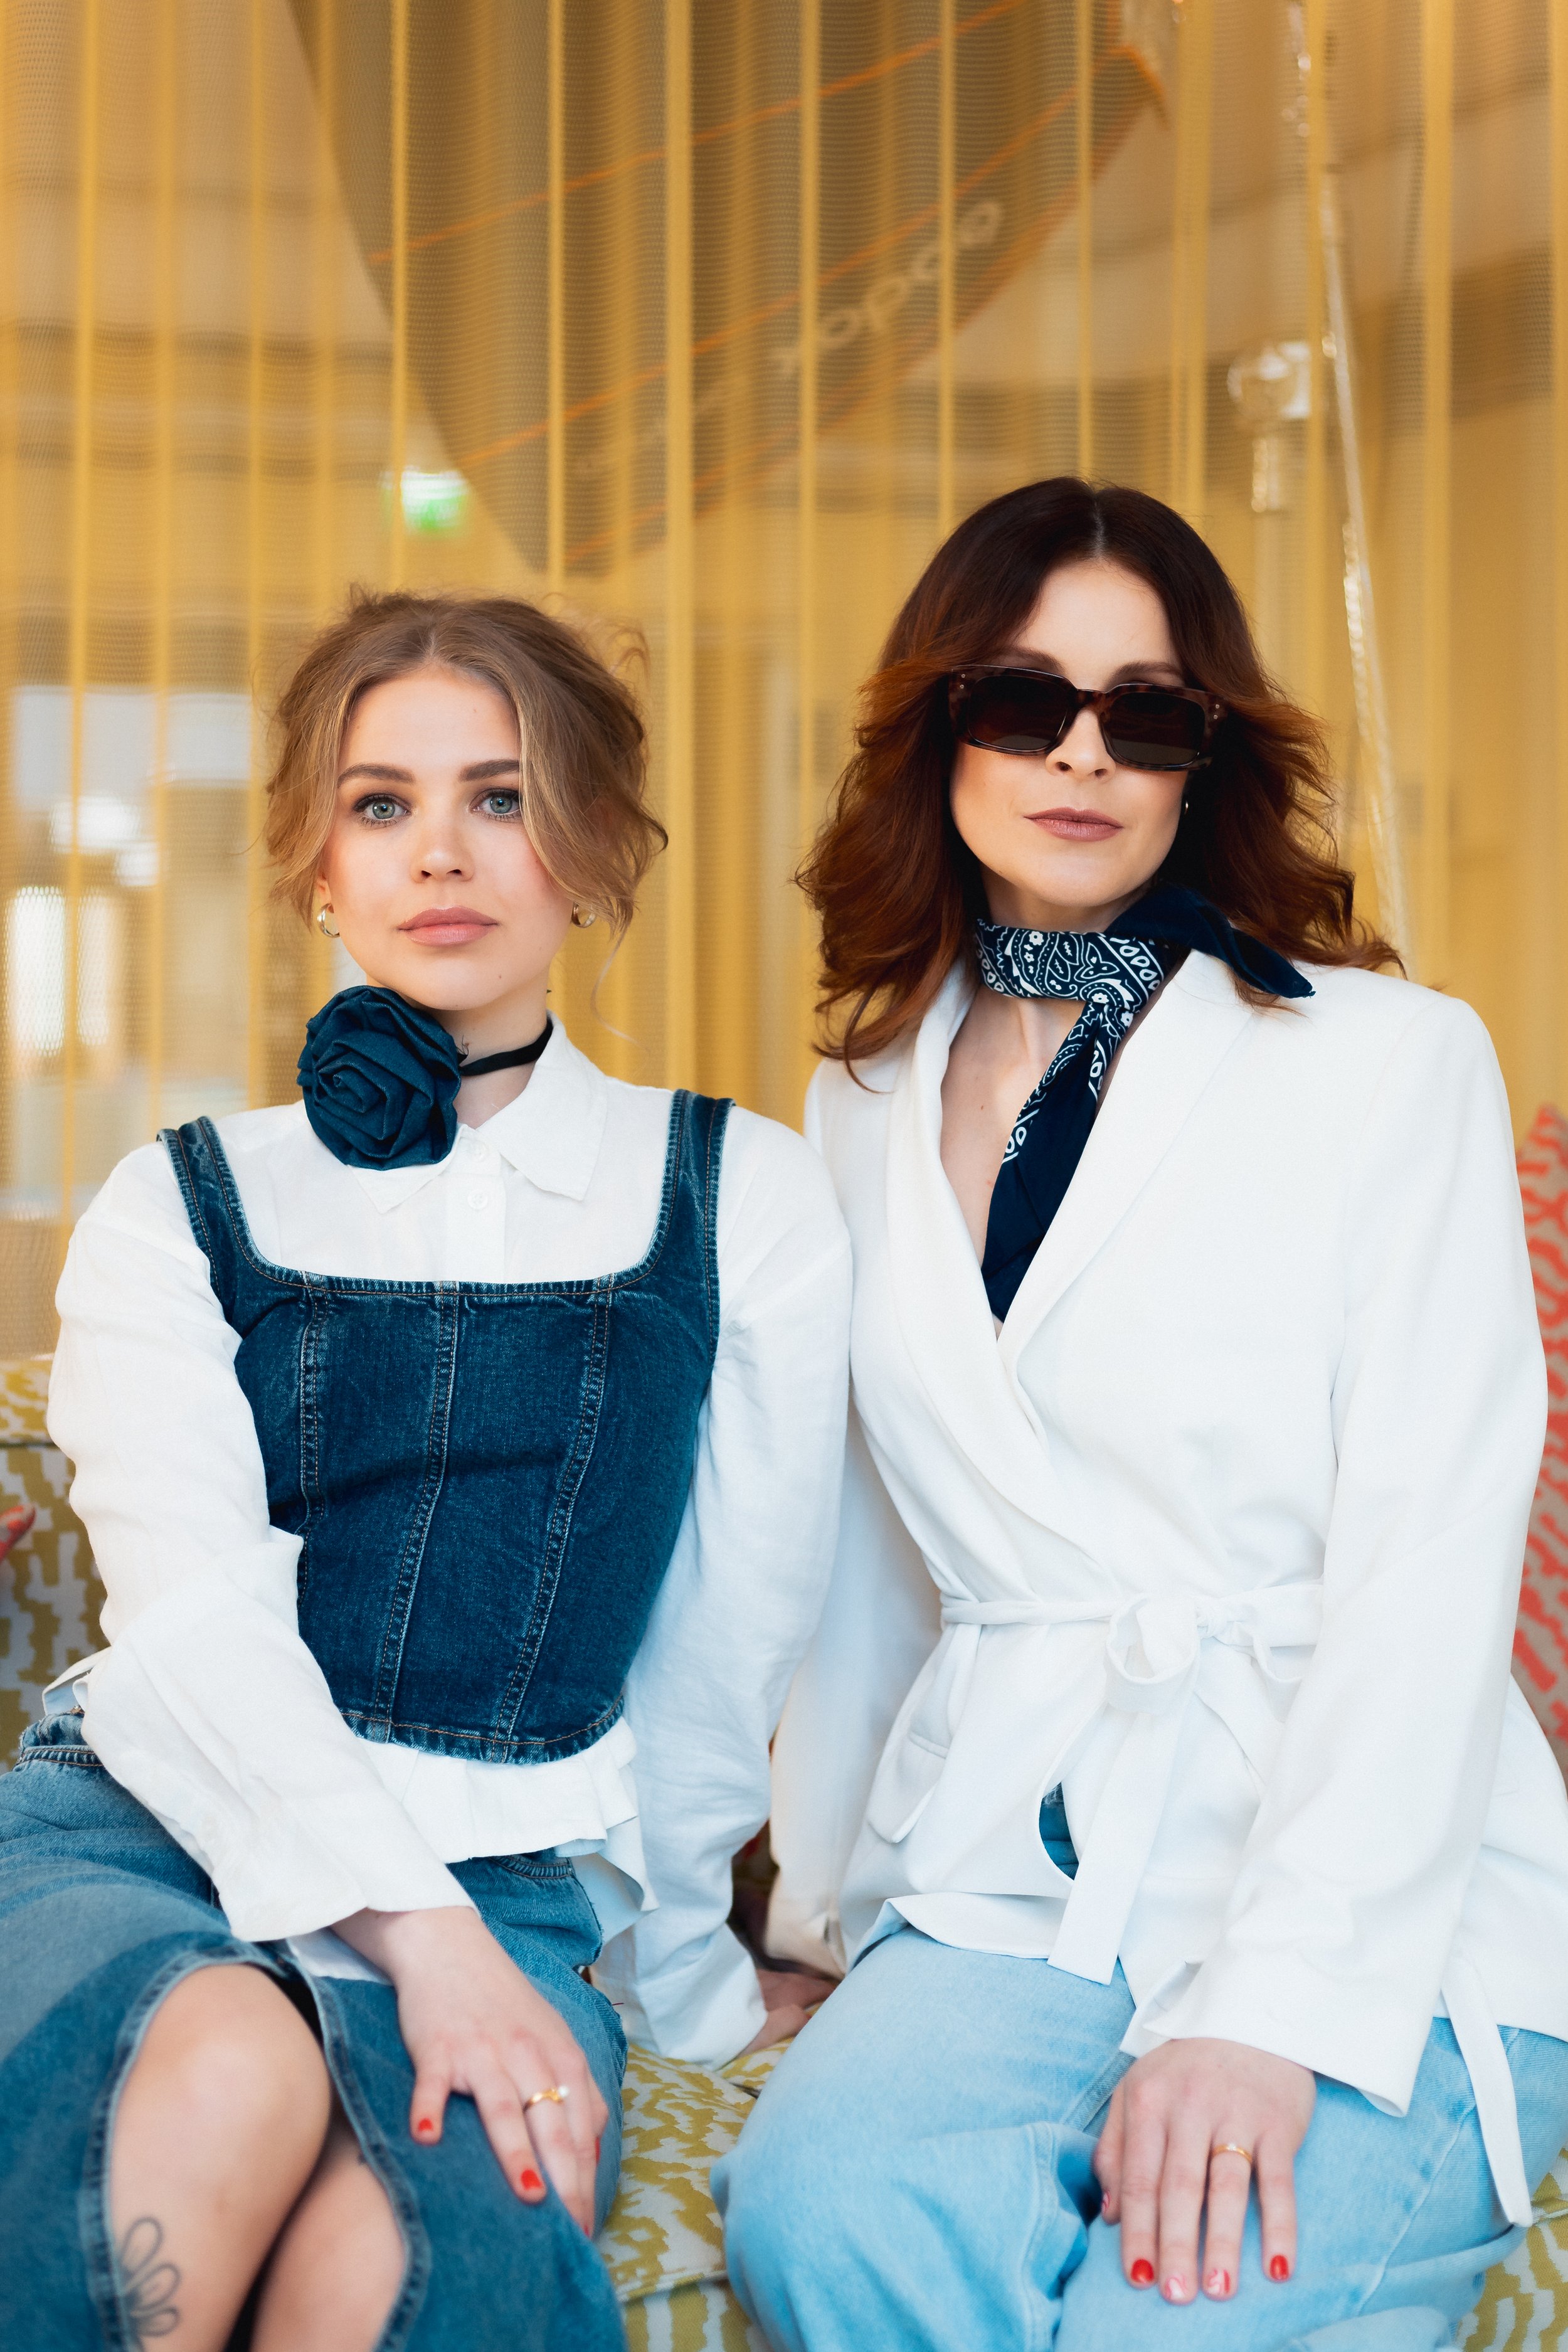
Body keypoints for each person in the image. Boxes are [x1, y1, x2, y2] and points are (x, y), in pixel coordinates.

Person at [714, 479, 1568, 2350]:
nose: (1080, 755)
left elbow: (1429, 1561)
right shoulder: (853, 1100)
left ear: (1205, 759)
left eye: (1146, 712)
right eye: (1022, 702)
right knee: (821, 2213)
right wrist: (817, 1923)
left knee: (1164, 2320)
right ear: (936, 730)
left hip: (1376, 1891)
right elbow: (865, 1568)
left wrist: (1267, 2011)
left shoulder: (1388, 1061)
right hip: (1011, 1881)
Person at [0, 591, 848, 2352]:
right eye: (380, 802)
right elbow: (195, 1619)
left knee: (421, 2261)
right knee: (223, 2066)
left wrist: (676, 1968)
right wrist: (424, 1942)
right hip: (149, 1822)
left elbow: (722, 1641)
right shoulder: (176, 1197)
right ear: (318, 860)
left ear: (595, 848)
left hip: (517, 1869)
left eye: (502, 796)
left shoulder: (736, 1191)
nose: (439, 854)